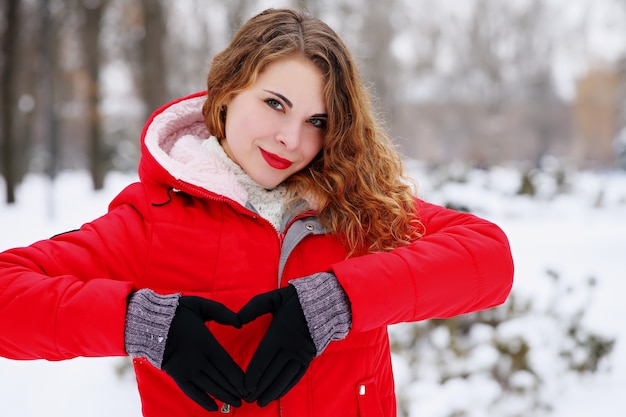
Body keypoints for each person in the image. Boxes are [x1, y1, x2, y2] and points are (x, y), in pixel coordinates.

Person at [0, 7, 514, 417]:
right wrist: (143, 323)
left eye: (318, 120)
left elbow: (489, 259)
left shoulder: (355, 208)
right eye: (275, 104)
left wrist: (337, 301)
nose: (293, 139)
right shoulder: (153, 222)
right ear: (227, 92)